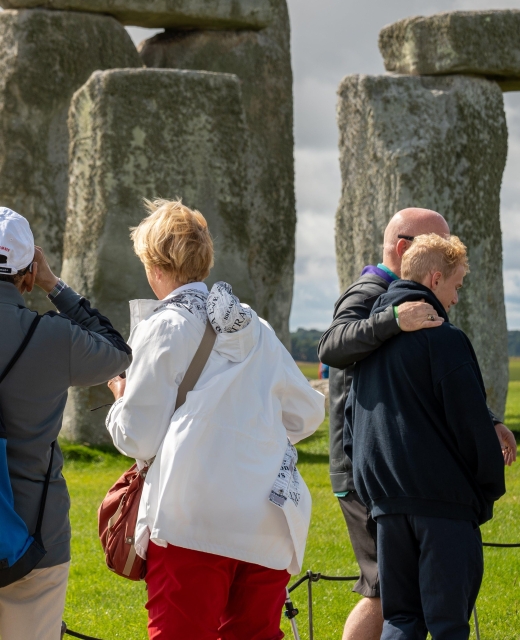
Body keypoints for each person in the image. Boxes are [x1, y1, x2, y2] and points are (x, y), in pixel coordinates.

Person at [106, 198, 325, 640]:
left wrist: (119, 396)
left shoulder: (164, 325)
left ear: (154, 264)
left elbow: (138, 437)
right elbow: (306, 413)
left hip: (193, 515)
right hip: (267, 520)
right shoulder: (255, 327)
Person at [318, 208, 516, 640]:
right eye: (439, 244)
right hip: (414, 490)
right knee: (399, 602)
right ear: (413, 254)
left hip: (383, 482)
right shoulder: (372, 293)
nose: (458, 298)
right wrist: (485, 489)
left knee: (398, 612)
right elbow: (330, 346)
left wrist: (491, 418)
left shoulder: (407, 320)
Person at [0, 207, 131, 640]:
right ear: (26, 274)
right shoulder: (53, 338)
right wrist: (54, 285)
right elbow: (117, 352)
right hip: (32, 533)